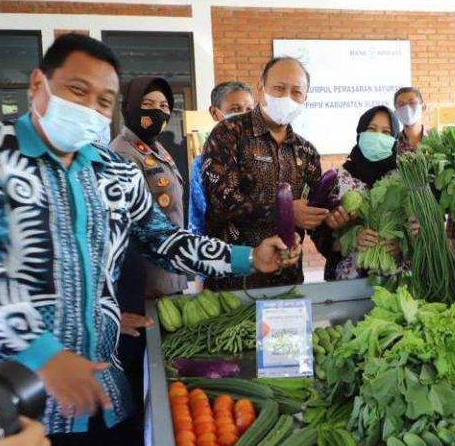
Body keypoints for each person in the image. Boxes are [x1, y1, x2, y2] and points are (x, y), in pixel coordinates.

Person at [0, 34, 300, 446]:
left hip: (105, 395)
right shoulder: (2, 162)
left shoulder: (114, 172)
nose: (89, 108)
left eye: (103, 101)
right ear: (36, 84)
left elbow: (164, 239)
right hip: (18, 407)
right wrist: (44, 353)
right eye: (76, 90)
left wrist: (247, 256)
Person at [202, 57, 325, 290]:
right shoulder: (229, 133)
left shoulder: (307, 151)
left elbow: (313, 213)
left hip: (288, 282)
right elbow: (222, 200)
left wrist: (333, 223)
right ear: (261, 87)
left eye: (296, 92)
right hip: (234, 282)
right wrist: (285, 211)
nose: (287, 97)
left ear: (305, 98)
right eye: (279, 88)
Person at [111, 76, 186, 297]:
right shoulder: (124, 153)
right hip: (146, 282)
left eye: (163, 106)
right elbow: (137, 222)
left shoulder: (155, 148)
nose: (157, 112)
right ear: (131, 107)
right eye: (147, 105)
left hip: (170, 269)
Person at [312, 106, 403, 280]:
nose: (378, 137)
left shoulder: (403, 179)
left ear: (395, 140)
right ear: (360, 132)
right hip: (345, 281)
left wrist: (402, 244)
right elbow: (320, 237)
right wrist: (348, 239)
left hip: (395, 280)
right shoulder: (336, 178)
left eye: (386, 132)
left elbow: (416, 228)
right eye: (371, 129)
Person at [188, 82, 255, 236]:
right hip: (225, 253)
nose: (244, 115)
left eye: (249, 109)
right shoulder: (203, 163)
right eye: (235, 109)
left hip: (267, 250)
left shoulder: (264, 154)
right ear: (214, 112)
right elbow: (197, 220)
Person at [393, 86, 427, 154]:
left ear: (423, 107)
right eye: (401, 105)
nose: (407, 108)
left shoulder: (439, 140)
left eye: (412, 103)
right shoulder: (392, 145)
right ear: (396, 113)